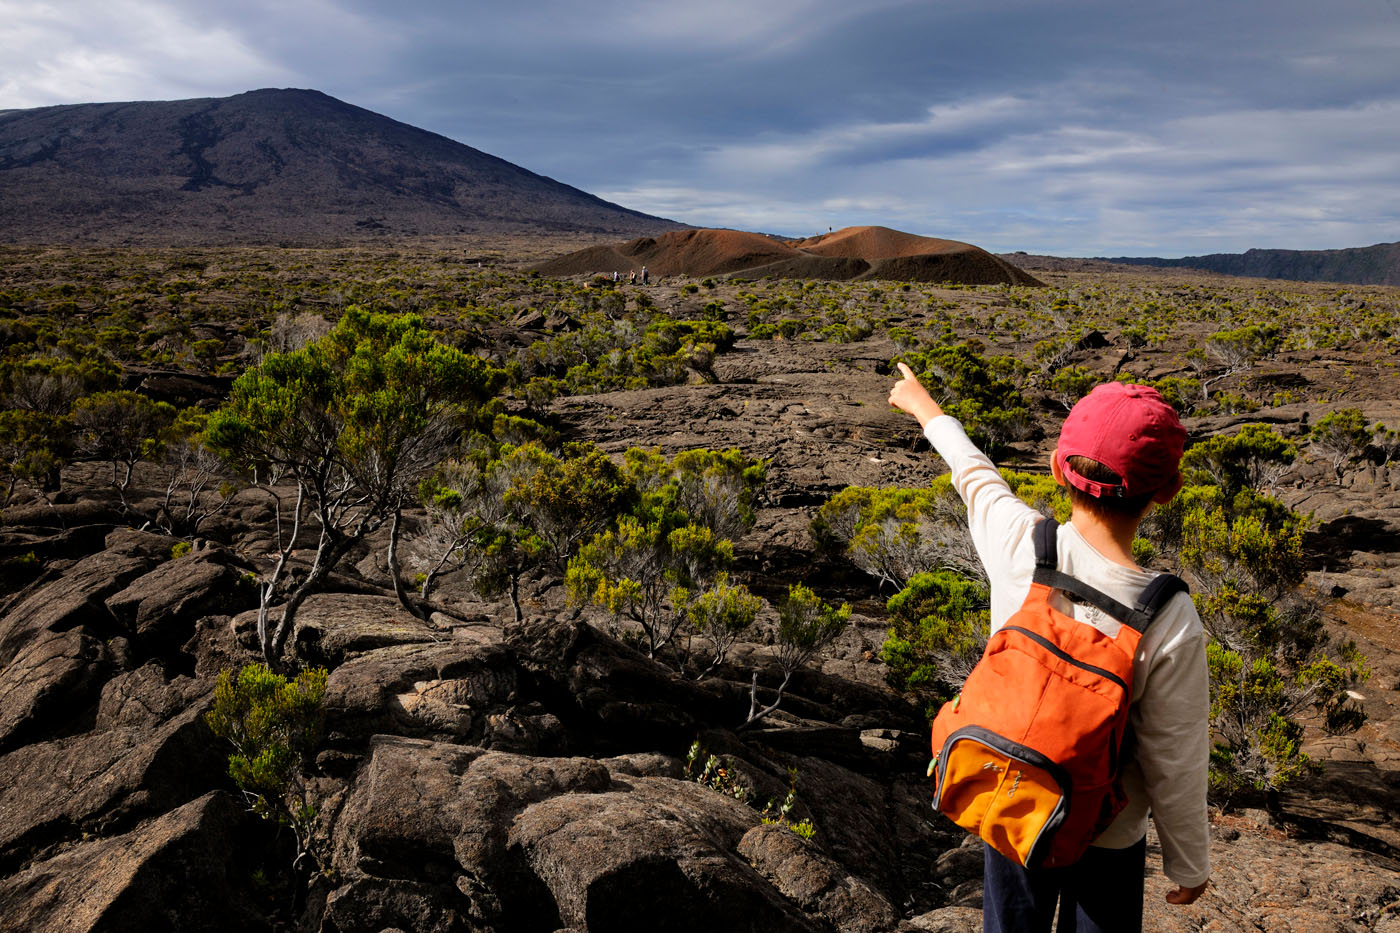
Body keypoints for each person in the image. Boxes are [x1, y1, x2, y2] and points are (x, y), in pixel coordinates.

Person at [888, 364, 1210, 933]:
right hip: (1108, 832)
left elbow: (975, 474)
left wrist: (924, 407)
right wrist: (1188, 862)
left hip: (1013, 797)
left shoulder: (1021, 542)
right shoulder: (1169, 616)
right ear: (1167, 490)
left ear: (1059, 467)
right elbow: (1175, 757)